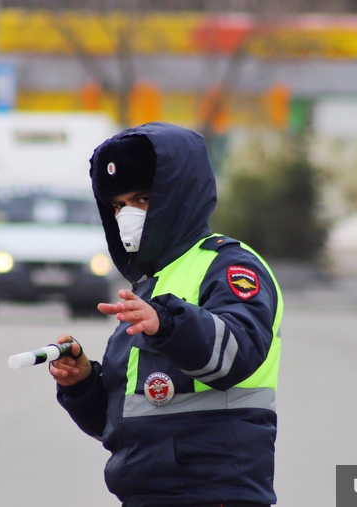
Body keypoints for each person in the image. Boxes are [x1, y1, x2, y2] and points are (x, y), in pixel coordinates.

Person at [49, 123, 283, 507]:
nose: (128, 215)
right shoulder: (151, 282)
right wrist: (83, 384)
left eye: (141, 199)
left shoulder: (229, 266)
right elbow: (130, 417)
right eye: (119, 205)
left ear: (178, 197)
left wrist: (168, 324)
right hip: (150, 493)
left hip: (214, 491)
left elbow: (237, 352)